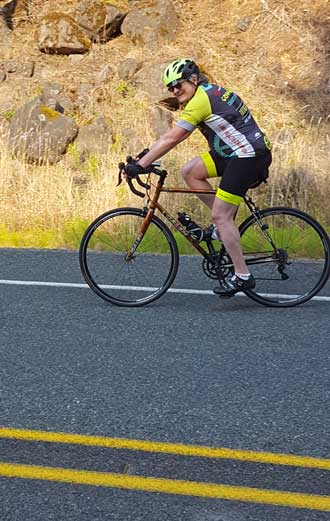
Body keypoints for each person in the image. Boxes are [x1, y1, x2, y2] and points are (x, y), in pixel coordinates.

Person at [124, 59, 272, 297]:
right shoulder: (205, 93)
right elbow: (167, 138)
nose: (174, 90)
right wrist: (144, 157)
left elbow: (173, 138)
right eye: (170, 87)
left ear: (193, 80)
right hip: (235, 151)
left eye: (177, 84)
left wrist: (141, 165)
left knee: (221, 215)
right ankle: (221, 227)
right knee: (190, 172)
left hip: (248, 155)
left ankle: (243, 275)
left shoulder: (201, 100)